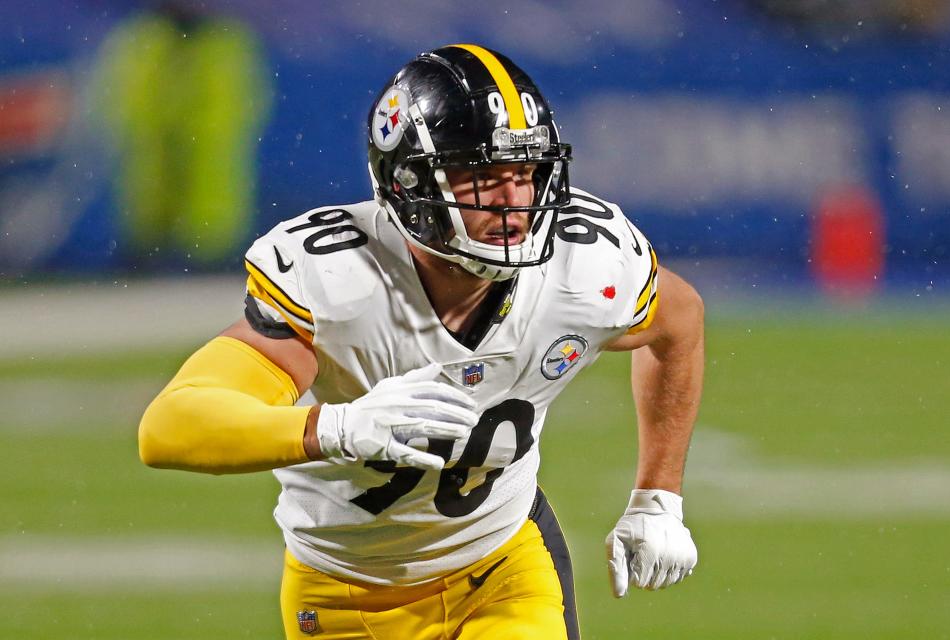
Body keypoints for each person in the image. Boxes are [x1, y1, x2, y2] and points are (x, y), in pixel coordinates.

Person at [139, 43, 703, 639]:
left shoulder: (583, 267)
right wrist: (337, 429)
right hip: (342, 590)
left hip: (503, 566)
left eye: (526, 173)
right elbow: (171, 426)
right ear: (407, 183)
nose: (514, 202)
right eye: (484, 177)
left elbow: (679, 322)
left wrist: (657, 498)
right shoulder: (342, 281)